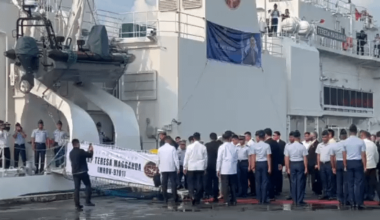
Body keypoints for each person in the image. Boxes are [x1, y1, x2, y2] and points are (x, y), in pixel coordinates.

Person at [342, 124, 366, 209]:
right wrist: (365, 166)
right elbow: (363, 155)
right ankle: (358, 202)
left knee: (350, 183)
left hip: (349, 162)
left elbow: (344, 155)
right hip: (358, 162)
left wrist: (345, 165)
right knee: (358, 183)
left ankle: (351, 201)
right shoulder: (360, 141)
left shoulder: (345, 142)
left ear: (349, 132)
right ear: (356, 132)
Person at [69, 139, 94, 211]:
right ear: (77, 144)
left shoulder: (71, 153)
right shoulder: (81, 151)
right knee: (88, 185)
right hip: (83, 172)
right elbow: (89, 155)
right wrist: (91, 150)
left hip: (75, 173)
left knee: (77, 189)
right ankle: (87, 201)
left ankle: (77, 205)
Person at [183, 132, 208, 205]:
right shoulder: (203, 147)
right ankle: (197, 196)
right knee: (199, 183)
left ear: (193, 138)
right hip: (200, 167)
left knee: (190, 182)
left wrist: (185, 167)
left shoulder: (189, 147)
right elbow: (206, 158)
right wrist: (205, 167)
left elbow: (186, 157)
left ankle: (192, 195)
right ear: (199, 138)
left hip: (191, 167)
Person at [284, 130, 308, 206]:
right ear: (299, 137)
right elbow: (305, 158)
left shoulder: (289, 146)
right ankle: (299, 200)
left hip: (292, 164)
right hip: (300, 164)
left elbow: (286, 158)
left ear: (294, 137)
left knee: (293, 182)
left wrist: (287, 168)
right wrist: (306, 168)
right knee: (300, 182)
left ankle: (294, 199)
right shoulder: (302, 146)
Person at [217, 131, 238, 206]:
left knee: (225, 185)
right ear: (230, 138)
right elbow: (236, 158)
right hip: (233, 169)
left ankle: (226, 200)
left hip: (224, 168)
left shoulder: (222, 147)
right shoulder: (234, 147)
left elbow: (219, 159)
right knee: (233, 185)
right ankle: (234, 199)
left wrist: (218, 169)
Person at [250, 130, 271, 204]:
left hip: (257, 163)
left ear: (258, 137)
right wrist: (269, 167)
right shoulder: (267, 145)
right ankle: (264, 198)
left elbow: (253, 156)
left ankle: (259, 198)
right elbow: (268, 157)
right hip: (264, 163)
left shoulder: (254, 145)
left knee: (258, 182)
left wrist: (252, 166)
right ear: (264, 137)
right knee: (264, 182)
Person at [157, 136, 180, 203]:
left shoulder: (160, 149)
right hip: (171, 168)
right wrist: (178, 167)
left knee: (164, 183)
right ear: (169, 141)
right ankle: (175, 197)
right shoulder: (172, 148)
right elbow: (176, 159)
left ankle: (165, 198)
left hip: (163, 168)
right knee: (173, 183)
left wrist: (158, 167)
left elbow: (158, 159)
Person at [331, 129, 348, 205]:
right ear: (346, 136)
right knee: (346, 182)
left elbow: (332, 157)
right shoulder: (348, 143)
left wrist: (333, 167)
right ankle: (346, 197)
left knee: (339, 182)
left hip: (338, 162)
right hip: (346, 162)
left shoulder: (335, 144)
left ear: (340, 136)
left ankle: (340, 198)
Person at [360, 130, 379, 201]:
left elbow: (361, 155)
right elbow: (376, 155)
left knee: (363, 182)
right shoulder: (373, 144)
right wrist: (375, 163)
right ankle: (371, 195)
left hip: (363, 165)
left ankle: (364, 196)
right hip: (372, 165)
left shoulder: (361, 143)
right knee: (373, 182)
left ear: (363, 136)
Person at [264, 128, 281, 201]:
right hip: (275, 164)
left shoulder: (266, 143)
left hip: (268, 164)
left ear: (266, 134)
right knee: (273, 180)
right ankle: (272, 194)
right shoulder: (276, 143)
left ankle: (268, 194)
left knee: (268, 180)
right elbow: (279, 154)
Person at [205, 132, 222, 201]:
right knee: (216, 181)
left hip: (209, 164)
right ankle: (215, 194)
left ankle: (208, 194)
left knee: (208, 180)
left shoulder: (206, 145)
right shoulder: (220, 145)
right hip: (217, 164)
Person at [316, 130, 333, 200]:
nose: (324, 139)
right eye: (323, 137)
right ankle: (324, 193)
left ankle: (330, 194)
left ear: (328, 137)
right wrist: (318, 164)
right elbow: (318, 155)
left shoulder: (331, 145)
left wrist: (333, 166)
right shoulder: (319, 145)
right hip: (322, 164)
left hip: (328, 163)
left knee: (330, 179)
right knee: (323, 179)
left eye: (325, 137)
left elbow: (333, 156)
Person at [308, 131, 322, 196]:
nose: (309, 136)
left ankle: (317, 190)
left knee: (315, 177)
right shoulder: (311, 143)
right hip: (310, 163)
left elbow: (317, 154)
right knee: (312, 177)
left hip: (314, 163)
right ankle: (314, 189)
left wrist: (316, 163)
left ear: (314, 136)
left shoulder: (317, 144)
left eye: (310, 135)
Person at [273, 131, 286, 195]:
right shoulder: (273, 142)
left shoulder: (282, 143)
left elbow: (283, 154)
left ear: (278, 136)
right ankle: (274, 188)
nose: (274, 137)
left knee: (279, 176)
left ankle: (279, 189)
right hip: (274, 162)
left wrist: (282, 163)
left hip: (279, 162)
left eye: (275, 135)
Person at [245, 131, 256, 196]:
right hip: (249, 160)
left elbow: (251, 154)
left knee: (251, 178)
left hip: (250, 161)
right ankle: (252, 190)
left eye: (246, 136)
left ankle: (253, 191)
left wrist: (251, 165)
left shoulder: (251, 143)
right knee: (250, 178)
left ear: (249, 136)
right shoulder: (249, 143)